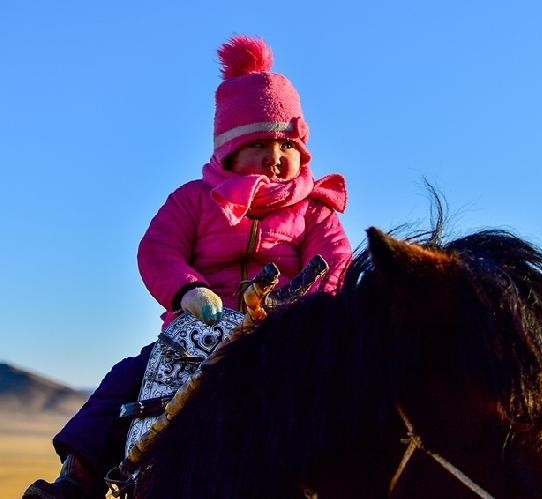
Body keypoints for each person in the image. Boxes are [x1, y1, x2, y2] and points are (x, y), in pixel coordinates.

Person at [24, 35, 352, 499]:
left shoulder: (316, 211)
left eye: (288, 145)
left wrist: (307, 311)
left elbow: (336, 263)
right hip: (196, 332)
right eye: (261, 143)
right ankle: (78, 478)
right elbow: (158, 251)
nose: (277, 157)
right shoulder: (195, 200)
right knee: (128, 378)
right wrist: (189, 292)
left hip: (285, 334)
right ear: (230, 149)